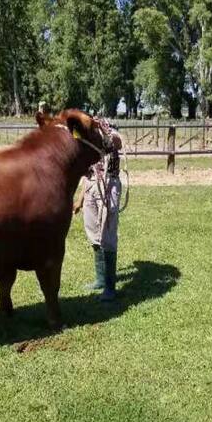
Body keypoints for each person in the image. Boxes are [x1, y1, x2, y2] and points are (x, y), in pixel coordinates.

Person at [73, 118, 123, 303]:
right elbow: (87, 175)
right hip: (90, 186)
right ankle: (101, 279)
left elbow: (117, 142)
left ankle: (110, 287)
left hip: (109, 185)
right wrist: (80, 199)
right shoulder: (86, 142)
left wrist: (107, 131)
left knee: (107, 233)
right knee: (92, 231)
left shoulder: (110, 133)